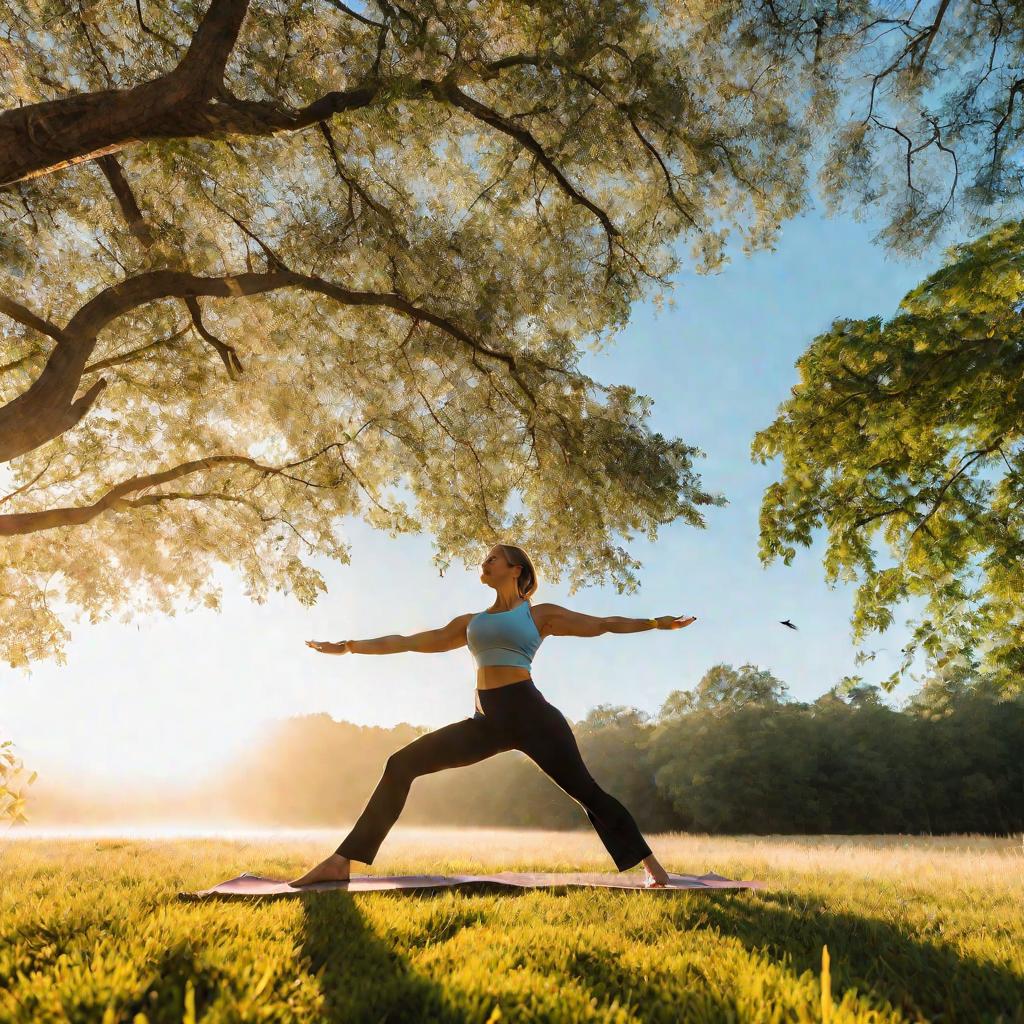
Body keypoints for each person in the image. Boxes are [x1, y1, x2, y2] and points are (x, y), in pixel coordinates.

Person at [290, 543, 696, 889]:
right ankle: (342, 861)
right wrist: (348, 646)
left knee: (587, 793)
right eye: (484, 560)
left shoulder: (539, 615)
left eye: (493, 559)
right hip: (486, 721)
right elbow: (411, 641)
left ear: (515, 569)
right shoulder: (471, 623)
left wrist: (656, 623)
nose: (484, 564)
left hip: (532, 715)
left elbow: (604, 624)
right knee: (401, 764)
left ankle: (654, 871)